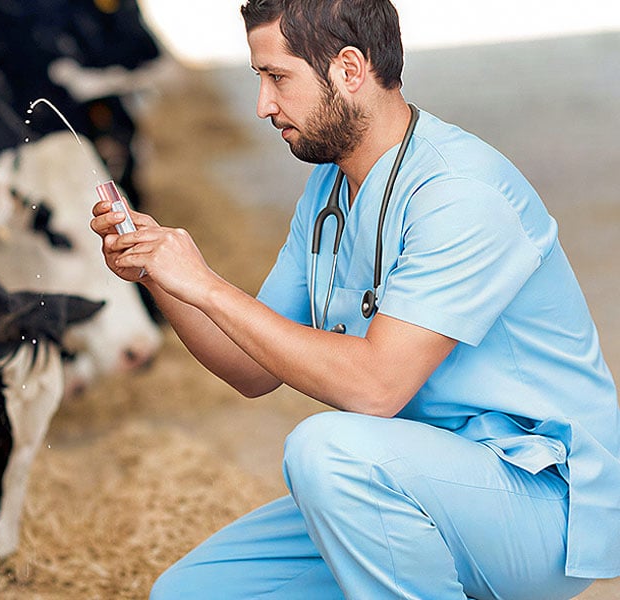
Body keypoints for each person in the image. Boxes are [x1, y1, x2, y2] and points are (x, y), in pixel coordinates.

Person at [89, 0, 620, 598]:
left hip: (541, 506)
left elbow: (375, 388)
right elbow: (250, 368)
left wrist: (209, 282)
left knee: (327, 451)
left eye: (276, 77)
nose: (263, 105)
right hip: (413, 488)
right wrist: (163, 273)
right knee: (193, 593)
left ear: (348, 68)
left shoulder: (461, 192)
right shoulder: (330, 189)